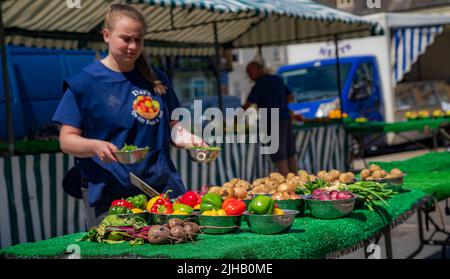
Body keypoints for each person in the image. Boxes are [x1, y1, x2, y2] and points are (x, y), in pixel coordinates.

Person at [52, 4, 206, 228]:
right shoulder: (84, 83)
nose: (133, 46)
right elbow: (66, 140)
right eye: (126, 39)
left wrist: (191, 140)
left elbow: (174, 127)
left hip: (161, 189)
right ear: (106, 35)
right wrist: (96, 146)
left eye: (139, 40)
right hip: (109, 193)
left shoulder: (156, 79)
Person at [243, 61, 298, 176]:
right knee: (289, 151)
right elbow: (290, 96)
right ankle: (295, 177)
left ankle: (288, 182)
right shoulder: (277, 79)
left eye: (250, 73)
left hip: (272, 119)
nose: (249, 76)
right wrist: (281, 104)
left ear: (258, 70)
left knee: (278, 151)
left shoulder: (260, 84)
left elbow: (248, 104)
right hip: (285, 117)